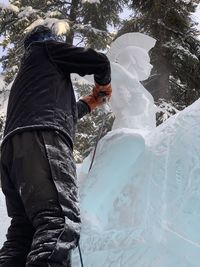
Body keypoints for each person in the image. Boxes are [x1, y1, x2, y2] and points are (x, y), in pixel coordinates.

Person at [0, 25, 112, 267]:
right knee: (59, 221)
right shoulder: (46, 48)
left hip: (13, 152)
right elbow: (99, 61)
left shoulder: (32, 74)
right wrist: (104, 84)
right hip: (43, 141)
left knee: (23, 230)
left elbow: (63, 111)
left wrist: (89, 103)